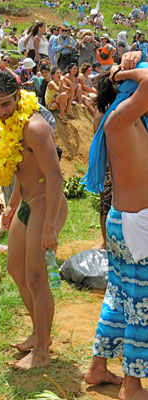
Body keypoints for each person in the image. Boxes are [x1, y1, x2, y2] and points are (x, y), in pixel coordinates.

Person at [0, 71, 67, 370]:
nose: (1, 112)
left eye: (5, 104)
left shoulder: (35, 126)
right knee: (15, 268)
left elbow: (55, 177)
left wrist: (49, 227)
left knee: (36, 277)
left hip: (47, 204)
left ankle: (42, 351)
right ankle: (37, 333)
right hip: (27, 203)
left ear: (18, 95)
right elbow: (21, 170)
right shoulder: (8, 126)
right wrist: (12, 205)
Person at [83, 54, 148, 399]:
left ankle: (97, 369)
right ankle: (132, 386)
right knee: (141, 306)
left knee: (118, 297)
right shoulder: (119, 121)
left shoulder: (127, 120)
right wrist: (122, 70)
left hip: (126, 223)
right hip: (136, 226)